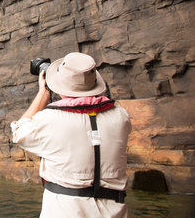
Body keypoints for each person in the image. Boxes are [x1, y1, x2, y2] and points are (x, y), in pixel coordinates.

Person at [11, 52, 132, 218]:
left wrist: (43, 94)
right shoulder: (121, 117)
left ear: (59, 86)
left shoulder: (51, 119)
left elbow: (19, 132)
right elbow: (95, 110)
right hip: (115, 212)